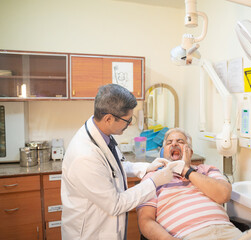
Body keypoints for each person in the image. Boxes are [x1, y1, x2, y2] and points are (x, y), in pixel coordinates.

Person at [61, 84, 174, 240]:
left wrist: (147, 167)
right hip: (90, 233)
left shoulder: (103, 134)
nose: (129, 125)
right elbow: (115, 204)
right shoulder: (85, 156)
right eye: (127, 121)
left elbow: (114, 167)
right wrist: (153, 183)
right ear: (108, 118)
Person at [137, 128, 243, 240]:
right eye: (169, 142)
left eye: (180, 141)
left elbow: (224, 194)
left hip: (227, 231)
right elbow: (145, 220)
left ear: (190, 152)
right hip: (188, 235)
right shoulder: (153, 177)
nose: (174, 143)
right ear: (163, 153)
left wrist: (186, 171)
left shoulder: (207, 170)